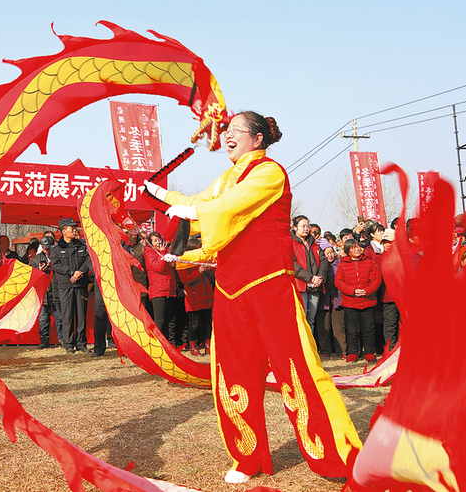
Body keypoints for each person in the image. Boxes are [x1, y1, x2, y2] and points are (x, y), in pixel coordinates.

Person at [146, 111, 360, 483]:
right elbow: (202, 203)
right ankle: (247, 458)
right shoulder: (227, 178)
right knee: (232, 372)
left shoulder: (269, 172)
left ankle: (334, 457)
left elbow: (224, 209)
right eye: (226, 131)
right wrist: (162, 195)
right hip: (230, 286)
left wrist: (190, 210)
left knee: (298, 370)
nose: (226, 136)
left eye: (235, 131)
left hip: (269, 284)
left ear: (257, 139)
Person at [335, 238, 382, 363]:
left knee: (369, 329)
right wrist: (353, 291)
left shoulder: (369, 262)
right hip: (350, 302)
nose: (356, 249)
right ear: (347, 250)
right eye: (352, 247)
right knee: (352, 329)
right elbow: (338, 282)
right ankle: (354, 352)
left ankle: (370, 352)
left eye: (357, 247)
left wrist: (368, 290)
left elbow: (377, 278)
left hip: (368, 300)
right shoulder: (342, 264)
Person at [50, 218, 92, 353]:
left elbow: (88, 260)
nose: (74, 230)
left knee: (81, 314)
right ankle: (69, 344)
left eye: (75, 228)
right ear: (63, 231)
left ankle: (81, 343)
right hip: (66, 285)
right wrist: (71, 273)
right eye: (71, 228)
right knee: (67, 315)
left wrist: (80, 273)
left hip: (80, 284)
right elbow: (56, 265)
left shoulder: (81, 246)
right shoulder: (56, 249)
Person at [177, 237, 214, 355]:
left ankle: (208, 345)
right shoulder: (183, 262)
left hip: (206, 295)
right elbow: (185, 279)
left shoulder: (202, 259)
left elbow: (212, 276)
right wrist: (199, 271)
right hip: (194, 297)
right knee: (194, 323)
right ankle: (193, 346)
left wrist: (209, 269)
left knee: (208, 322)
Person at [291, 215, 326, 333]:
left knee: (311, 320)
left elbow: (323, 261)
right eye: (303, 226)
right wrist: (310, 278)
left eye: (308, 226)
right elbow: (293, 264)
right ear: (295, 228)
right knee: (302, 318)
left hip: (315, 286)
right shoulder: (291, 243)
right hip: (300, 286)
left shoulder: (314, 243)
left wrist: (319, 278)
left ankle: (311, 347)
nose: (306, 228)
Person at [144, 232, 177, 345]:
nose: (158, 242)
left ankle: (169, 344)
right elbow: (159, 267)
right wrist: (163, 252)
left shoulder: (166, 251)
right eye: (155, 240)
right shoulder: (149, 253)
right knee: (160, 321)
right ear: (151, 243)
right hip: (158, 290)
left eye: (159, 239)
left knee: (170, 320)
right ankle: (160, 344)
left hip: (170, 288)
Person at [31, 235, 63, 349]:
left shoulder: (59, 257)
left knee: (60, 317)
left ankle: (62, 340)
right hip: (43, 293)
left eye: (49, 248)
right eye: (45, 248)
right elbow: (30, 275)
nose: (47, 250)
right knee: (43, 318)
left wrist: (55, 266)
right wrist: (38, 271)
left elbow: (64, 270)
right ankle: (44, 340)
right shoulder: (36, 259)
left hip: (57, 291)